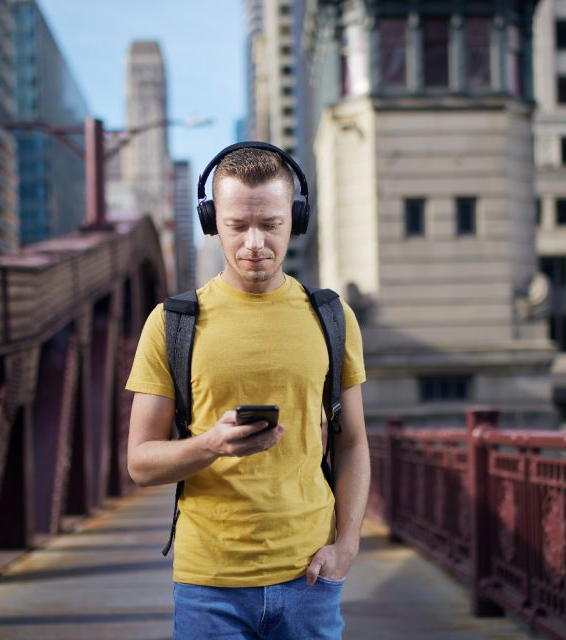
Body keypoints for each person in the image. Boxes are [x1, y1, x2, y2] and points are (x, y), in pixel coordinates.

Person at [125, 142, 370, 639]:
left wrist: (347, 546)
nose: (255, 242)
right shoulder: (172, 324)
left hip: (312, 577)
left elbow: (353, 441)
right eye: (238, 226)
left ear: (295, 219)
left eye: (272, 225)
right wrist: (211, 444)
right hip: (208, 585)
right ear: (213, 222)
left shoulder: (331, 317)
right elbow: (140, 462)